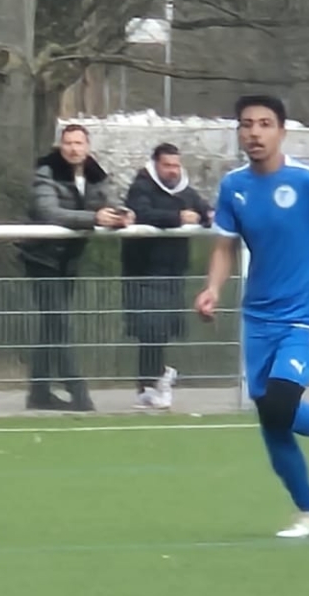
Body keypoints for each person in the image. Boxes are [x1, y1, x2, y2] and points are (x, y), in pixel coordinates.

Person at [196, 95, 309, 537]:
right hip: (258, 318)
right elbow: (224, 246)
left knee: (280, 403)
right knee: (270, 418)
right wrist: (213, 289)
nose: (254, 132)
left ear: (282, 131)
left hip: (305, 315)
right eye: (246, 124)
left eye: (264, 124)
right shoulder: (234, 186)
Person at [18, 123, 131, 411]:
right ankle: (79, 393)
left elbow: (111, 203)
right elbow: (48, 212)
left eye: (79, 143)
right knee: (60, 324)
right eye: (68, 143)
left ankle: (39, 393)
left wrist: (123, 215)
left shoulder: (95, 175)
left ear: (87, 147)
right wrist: (95, 218)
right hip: (41, 258)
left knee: (51, 325)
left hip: (68, 260)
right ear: (60, 145)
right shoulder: (46, 173)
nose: (73, 148)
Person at [121, 142, 212, 410]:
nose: (173, 171)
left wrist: (207, 216)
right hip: (144, 269)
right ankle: (155, 379)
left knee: (159, 331)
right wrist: (177, 217)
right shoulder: (141, 187)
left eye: (176, 165)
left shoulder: (185, 189)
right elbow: (141, 213)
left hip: (173, 271)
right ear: (156, 165)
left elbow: (204, 209)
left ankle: (153, 382)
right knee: (148, 329)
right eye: (167, 165)